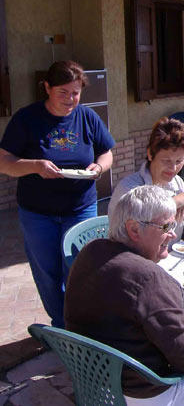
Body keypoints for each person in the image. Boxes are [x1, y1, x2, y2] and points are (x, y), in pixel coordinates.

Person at [65, 185, 184, 406]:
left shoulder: (90, 252)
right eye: (166, 226)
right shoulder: (148, 278)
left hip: (94, 384)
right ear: (134, 230)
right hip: (142, 394)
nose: (172, 233)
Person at [0, 60, 114, 328]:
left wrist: (99, 167)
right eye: (63, 92)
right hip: (38, 213)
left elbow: (106, 152)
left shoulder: (87, 117)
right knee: (47, 272)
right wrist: (35, 166)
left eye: (75, 92)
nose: (70, 99)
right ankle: (61, 325)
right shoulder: (27, 119)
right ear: (47, 88)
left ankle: (78, 324)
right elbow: (4, 162)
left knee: (79, 270)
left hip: (80, 208)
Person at [108, 117, 184, 240]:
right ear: (150, 154)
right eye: (166, 161)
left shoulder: (178, 184)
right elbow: (137, 234)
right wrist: (173, 203)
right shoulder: (128, 188)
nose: (173, 168)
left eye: (179, 161)